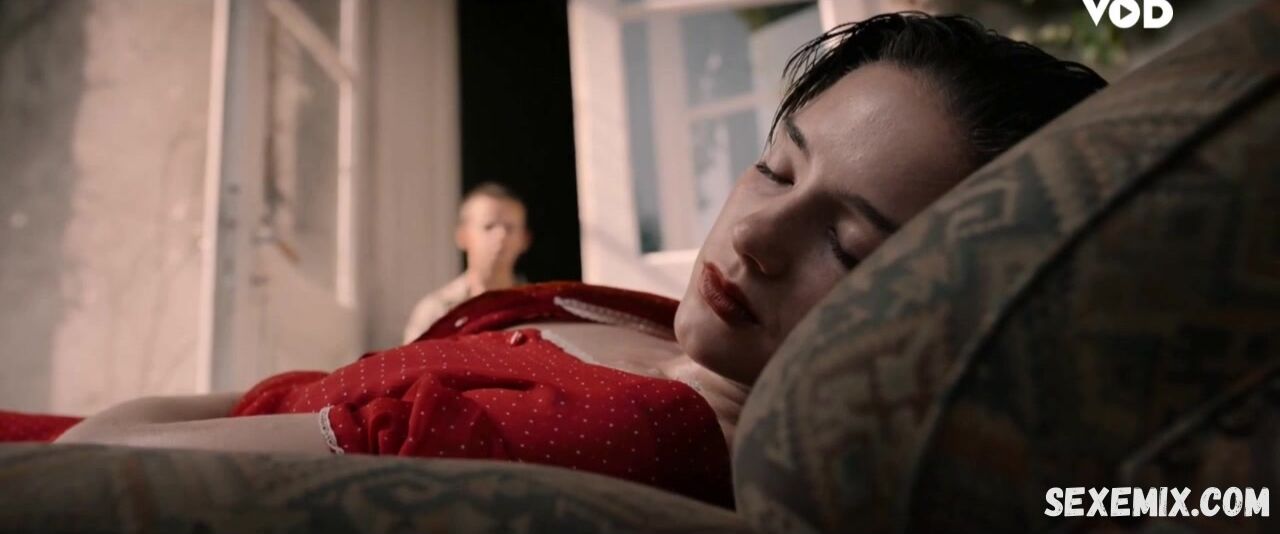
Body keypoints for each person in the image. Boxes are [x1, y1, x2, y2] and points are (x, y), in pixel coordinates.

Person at [4, 14, 1106, 508]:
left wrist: (100, 427)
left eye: (849, 245)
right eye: (775, 169)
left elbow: (112, 481)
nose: (755, 237)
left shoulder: (645, 433)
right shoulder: (662, 333)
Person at [402, 182, 532, 343]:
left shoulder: (539, 309)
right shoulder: (436, 312)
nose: (501, 235)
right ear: (462, 236)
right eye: (489, 226)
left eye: (509, 228)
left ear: (525, 239)